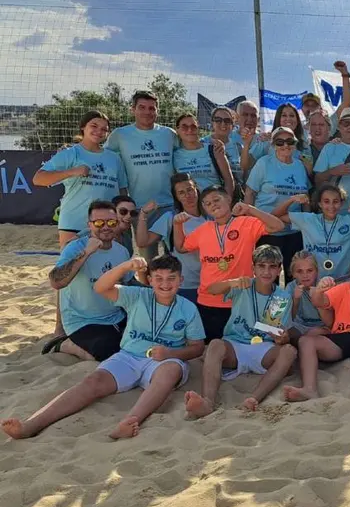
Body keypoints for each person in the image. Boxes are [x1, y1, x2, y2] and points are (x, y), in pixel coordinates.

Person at [3, 254, 205, 440]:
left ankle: (130, 421)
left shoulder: (188, 308)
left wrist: (172, 353)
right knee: (93, 381)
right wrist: (126, 266)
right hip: (129, 356)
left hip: (164, 361)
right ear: (149, 280)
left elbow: (197, 347)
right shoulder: (138, 295)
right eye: (158, 278)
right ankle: (31, 425)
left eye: (171, 278)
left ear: (181, 280)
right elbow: (100, 287)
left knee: (170, 371)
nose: (165, 284)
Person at [184, 245, 296, 418]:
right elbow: (211, 290)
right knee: (214, 345)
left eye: (272, 266)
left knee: (289, 352)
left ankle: (253, 398)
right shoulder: (242, 284)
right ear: (254, 268)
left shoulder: (282, 296)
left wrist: (282, 339)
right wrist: (232, 282)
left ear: (279, 269)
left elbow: (278, 334)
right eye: (262, 266)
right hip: (235, 345)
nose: (266, 272)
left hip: (263, 348)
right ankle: (207, 402)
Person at [175, 186, 286, 342]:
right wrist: (177, 225)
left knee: (242, 344)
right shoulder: (203, 230)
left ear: (228, 199)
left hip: (239, 301)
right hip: (208, 300)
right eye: (207, 203)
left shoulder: (246, 223)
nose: (212, 205)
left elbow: (278, 226)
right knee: (212, 347)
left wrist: (250, 209)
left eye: (216, 200)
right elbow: (180, 247)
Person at [284, 251, 350, 402]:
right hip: (338, 338)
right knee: (306, 340)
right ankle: (309, 389)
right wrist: (320, 290)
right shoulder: (343, 288)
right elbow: (319, 302)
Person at [45, 200, 136, 360]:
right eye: (99, 222)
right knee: (107, 355)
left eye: (111, 222)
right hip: (83, 321)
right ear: (90, 225)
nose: (106, 227)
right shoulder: (76, 247)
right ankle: (63, 344)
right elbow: (56, 281)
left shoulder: (121, 251)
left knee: (141, 343)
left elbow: (129, 283)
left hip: (116, 316)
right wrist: (86, 253)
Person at [34, 110, 128, 249]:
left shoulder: (114, 158)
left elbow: (122, 191)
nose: (99, 131)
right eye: (94, 126)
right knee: (72, 266)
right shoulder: (71, 154)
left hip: (107, 224)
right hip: (74, 221)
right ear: (83, 127)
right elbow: (38, 179)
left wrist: (121, 216)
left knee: (106, 266)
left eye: (104, 129)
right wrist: (72, 172)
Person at [105, 90, 178, 253]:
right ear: (133, 109)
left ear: (157, 111)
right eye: (142, 107)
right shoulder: (120, 135)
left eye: (152, 108)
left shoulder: (169, 134)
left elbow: (185, 153)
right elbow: (103, 156)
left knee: (174, 255)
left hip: (170, 205)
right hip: (139, 207)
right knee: (147, 258)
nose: (147, 112)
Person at [245, 125, 311, 279]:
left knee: (294, 277)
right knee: (267, 278)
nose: (285, 145)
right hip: (267, 230)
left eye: (290, 141)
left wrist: (307, 222)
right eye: (280, 142)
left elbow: (305, 196)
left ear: (295, 143)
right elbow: (250, 192)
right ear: (273, 145)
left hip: (294, 231)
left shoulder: (300, 165)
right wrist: (249, 223)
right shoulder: (264, 163)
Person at [272, 183, 350, 280]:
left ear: (341, 203)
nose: (331, 206)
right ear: (320, 204)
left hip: (342, 281)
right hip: (314, 281)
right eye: (326, 201)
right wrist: (291, 200)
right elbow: (275, 216)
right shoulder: (308, 220)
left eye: (335, 201)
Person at [135, 173, 207, 302]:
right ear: (176, 197)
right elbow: (142, 242)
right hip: (185, 285)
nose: (187, 195)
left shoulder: (210, 215)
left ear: (196, 189)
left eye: (190, 189)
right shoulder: (170, 217)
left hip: (211, 281)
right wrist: (143, 214)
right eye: (181, 193)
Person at [173, 113, 235, 196]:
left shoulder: (213, 149)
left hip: (215, 203)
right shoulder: (175, 156)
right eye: (184, 127)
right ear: (177, 130)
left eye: (193, 126)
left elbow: (229, 180)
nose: (189, 130)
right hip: (190, 204)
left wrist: (227, 200)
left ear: (198, 128)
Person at [243, 103, 309, 175]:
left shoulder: (304, 145)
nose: (288, 119)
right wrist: (246, 144)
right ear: (278, 119)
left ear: (297, 120)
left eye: (292, 116)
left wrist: (301, 156)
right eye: (284, 115)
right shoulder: (267, 141)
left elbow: (309, 171)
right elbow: (245, 166)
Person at [285, 251, 327, 342]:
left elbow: (329, 322)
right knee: (284, 330)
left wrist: (318, 299)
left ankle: (301, 343)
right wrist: (295, 300)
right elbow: (287, 318)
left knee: (317, 332)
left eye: (310, 270)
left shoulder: (323, 285)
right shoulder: (291, 287)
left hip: (321, 326)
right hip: (300, 326)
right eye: (299, 271)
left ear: (316, 271)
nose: (305, 275)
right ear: (293, 273)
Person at [204, 106, 245, 185]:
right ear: (212, 123)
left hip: (236, 194)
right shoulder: (202, 144)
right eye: (218, 120)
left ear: (232, 125)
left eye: (227, 120)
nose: (223, 124)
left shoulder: (239, 147)